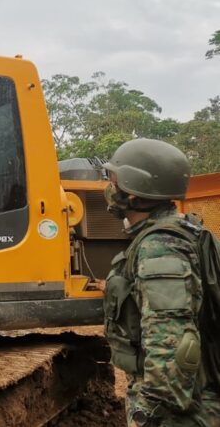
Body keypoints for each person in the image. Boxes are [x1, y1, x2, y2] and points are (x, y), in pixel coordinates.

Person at [102, 138, 220, 426]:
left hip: (182, 413)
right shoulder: (183, 231)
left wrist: (149, 413)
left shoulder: (161, 246)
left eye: (114, 179)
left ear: (132, 192)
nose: (108, 187)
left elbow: (171, 343)